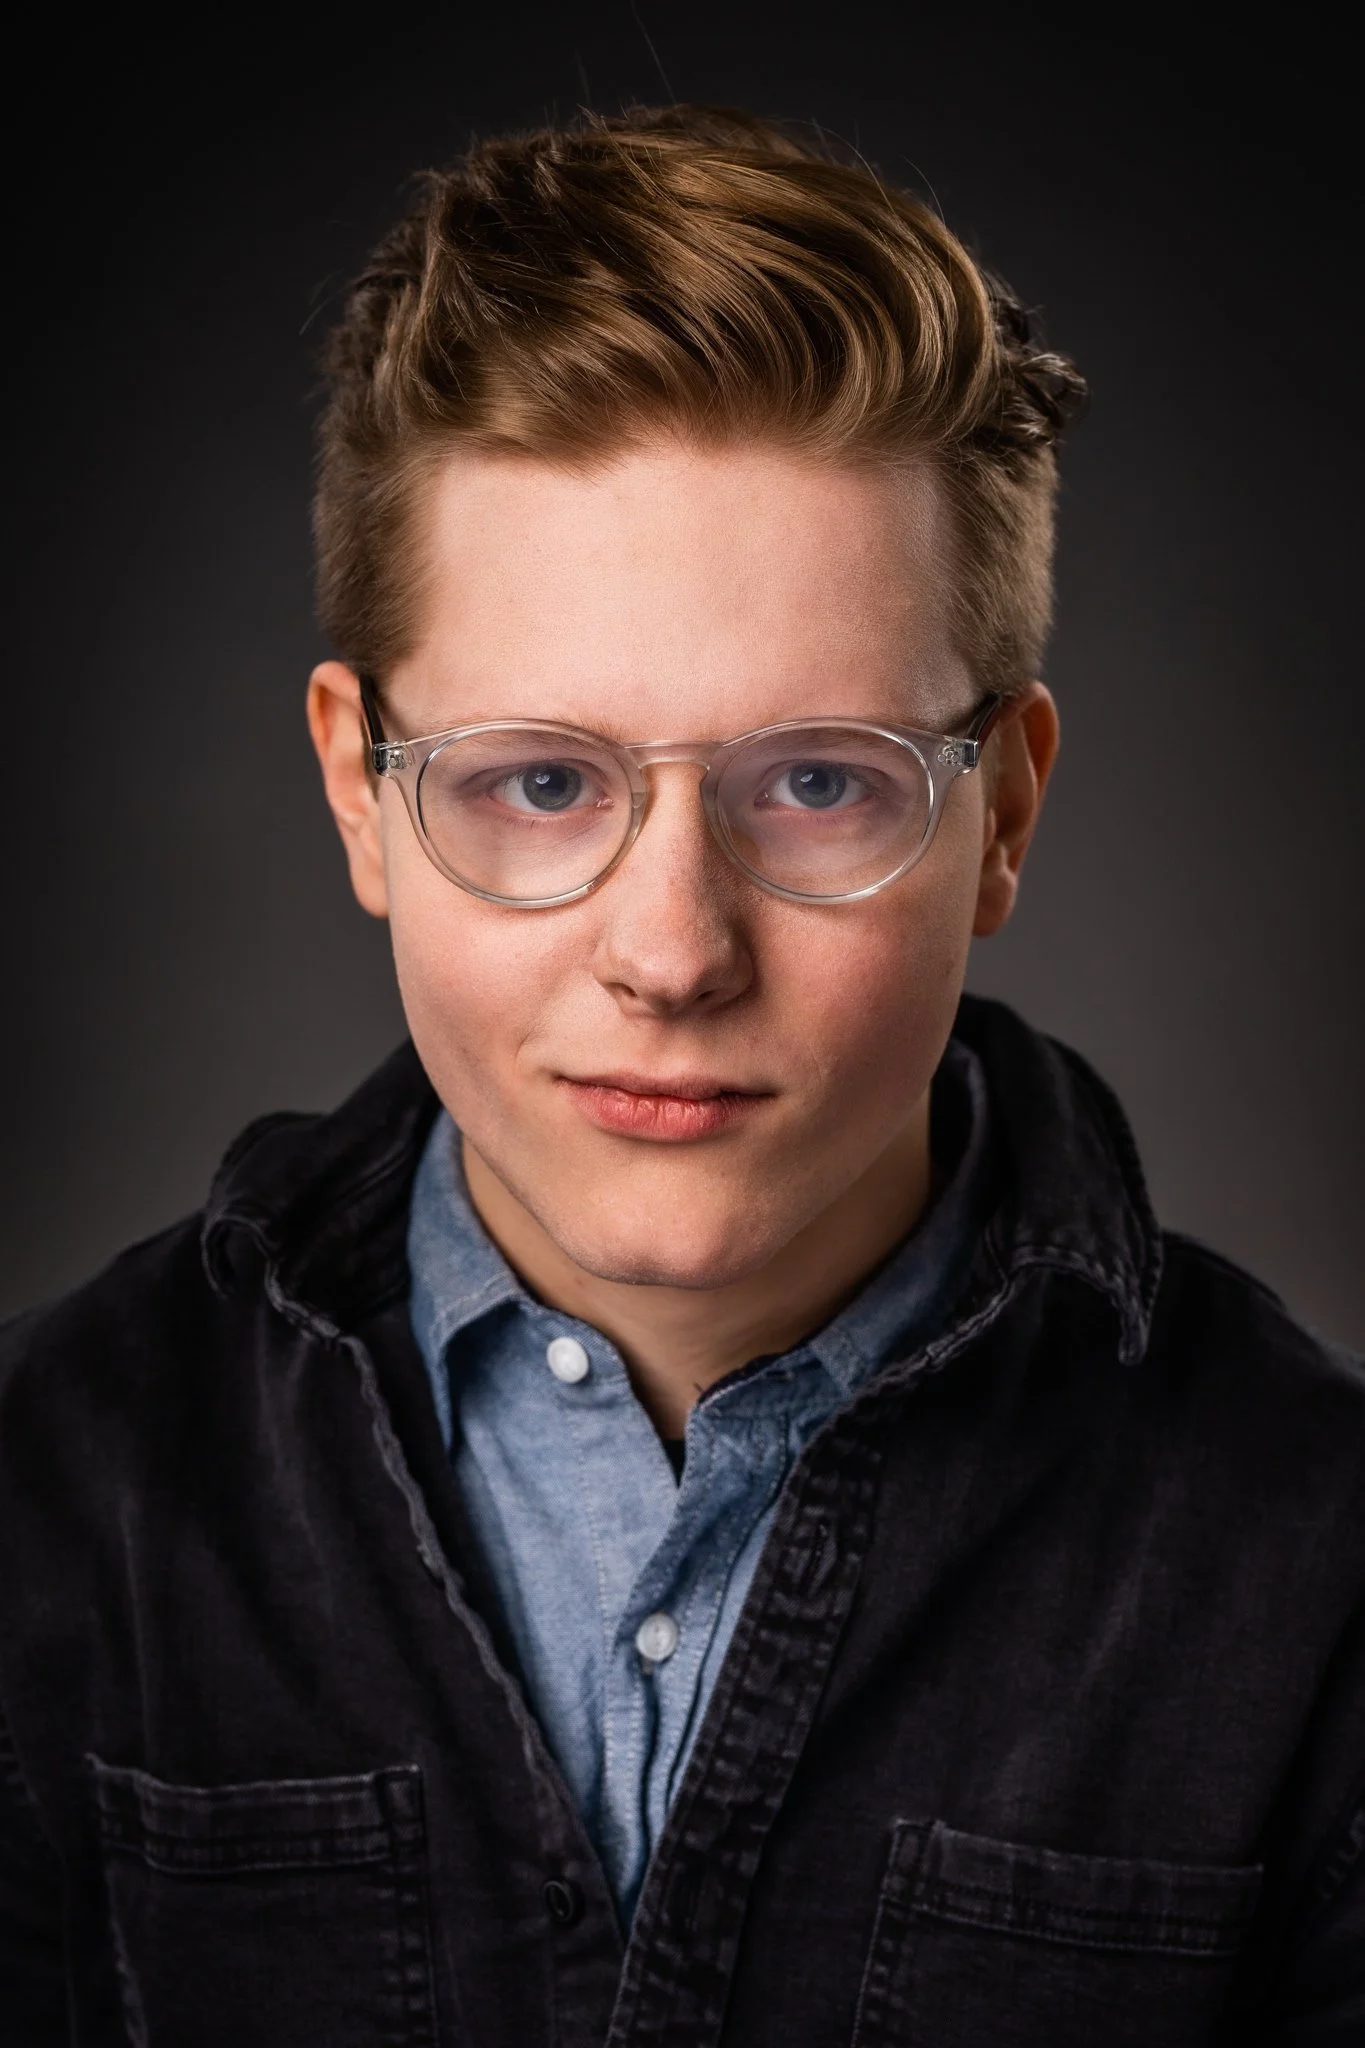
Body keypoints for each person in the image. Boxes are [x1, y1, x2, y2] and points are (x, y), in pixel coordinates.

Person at [0, 104, 1360, 2048]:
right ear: (356, 791)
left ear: (1004, 813)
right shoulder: (50, 1503)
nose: (670, 950)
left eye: (816, 782)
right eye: (538, 783)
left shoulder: (1315, 1573)